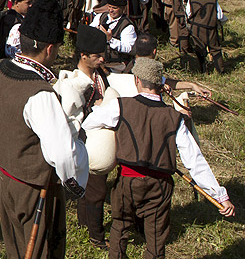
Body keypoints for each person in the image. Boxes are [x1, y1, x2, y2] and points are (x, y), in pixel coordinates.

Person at [83, 58, 234, 259]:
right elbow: (194, 160)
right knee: (155, 238)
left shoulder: (120, 107)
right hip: (159, 186)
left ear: (137, 80)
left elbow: (89, 124)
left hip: (127, 182)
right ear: (160, 85)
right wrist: (219, 195)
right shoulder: (174, 117)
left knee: (120, 228)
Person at [0, 0, 88, 259]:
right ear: (50, 49)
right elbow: (63, 154)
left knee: (15, 249)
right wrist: (73, 185)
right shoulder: (41, 94)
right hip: (35, 190)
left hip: (5, 177)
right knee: (40, 253)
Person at [71, 24, 110, 249]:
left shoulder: (99, 75)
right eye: (97, 56)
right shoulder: (75, 83)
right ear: (83, 56)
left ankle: (83, 222)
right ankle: (96, 235)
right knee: (96, 190)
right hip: (86, 142)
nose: (102, 60)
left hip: (97, 139)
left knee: (89, 186)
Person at [91, 0, 137, 70]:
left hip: (116, 63)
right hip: (97, 60)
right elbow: (90, 30)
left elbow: (129, 48)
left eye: (114, 8)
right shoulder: (100, 17)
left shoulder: (127, 26)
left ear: (123, 8)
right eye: (109, 7)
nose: (111, 10)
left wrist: (110, 39)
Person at [187, 0, 224, 73]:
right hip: (210, 29)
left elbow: (188, 13)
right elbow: (220, 16)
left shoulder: (191, 1)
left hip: (196, 29)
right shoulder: (213, 1)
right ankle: (221, 70)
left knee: (199, 50)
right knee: (215, 50)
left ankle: (203, 70)